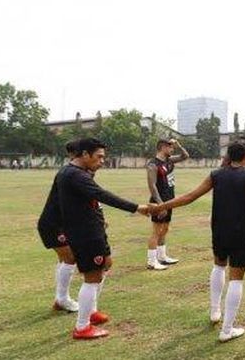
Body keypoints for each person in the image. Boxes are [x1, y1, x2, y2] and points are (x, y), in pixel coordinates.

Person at [152, 140, 245, 342]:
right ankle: (227, 330)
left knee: (219, 266)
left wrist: (160, 206)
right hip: (240, 232)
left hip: (219, 229)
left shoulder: (216, 175)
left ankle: (214, 312)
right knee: (236, 277)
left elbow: (190, 196)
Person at [56, 137, 154, 340]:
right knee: (93, 276)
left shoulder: (74, 173)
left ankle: (91, 311)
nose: (102, 161)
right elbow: (103, 195)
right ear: (85, 155)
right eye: (99, 157)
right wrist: (137, 208)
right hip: (86, 233)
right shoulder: (75, 175)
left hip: (92, 230)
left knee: (106, 264)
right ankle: (82, 327)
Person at [37, 140, 83, 313]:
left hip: (61, 223)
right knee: (70, 258)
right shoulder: (69, 173)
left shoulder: (72, 172)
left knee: (65, 258)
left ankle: (60, 298)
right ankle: (62, 299)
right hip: (54, 224)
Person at [145, 138, 190, 270]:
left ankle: (162, 257)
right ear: (163, 147)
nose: (172, 149)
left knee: (164, 229)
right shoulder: (153, 164)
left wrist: (179, 144)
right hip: (159, 202)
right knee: (156, 230)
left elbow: (185, 156)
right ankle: (151, 261)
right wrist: (160, 205)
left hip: (170, 200)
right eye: (170, 147)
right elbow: (152, 186)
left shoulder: (169, 161)